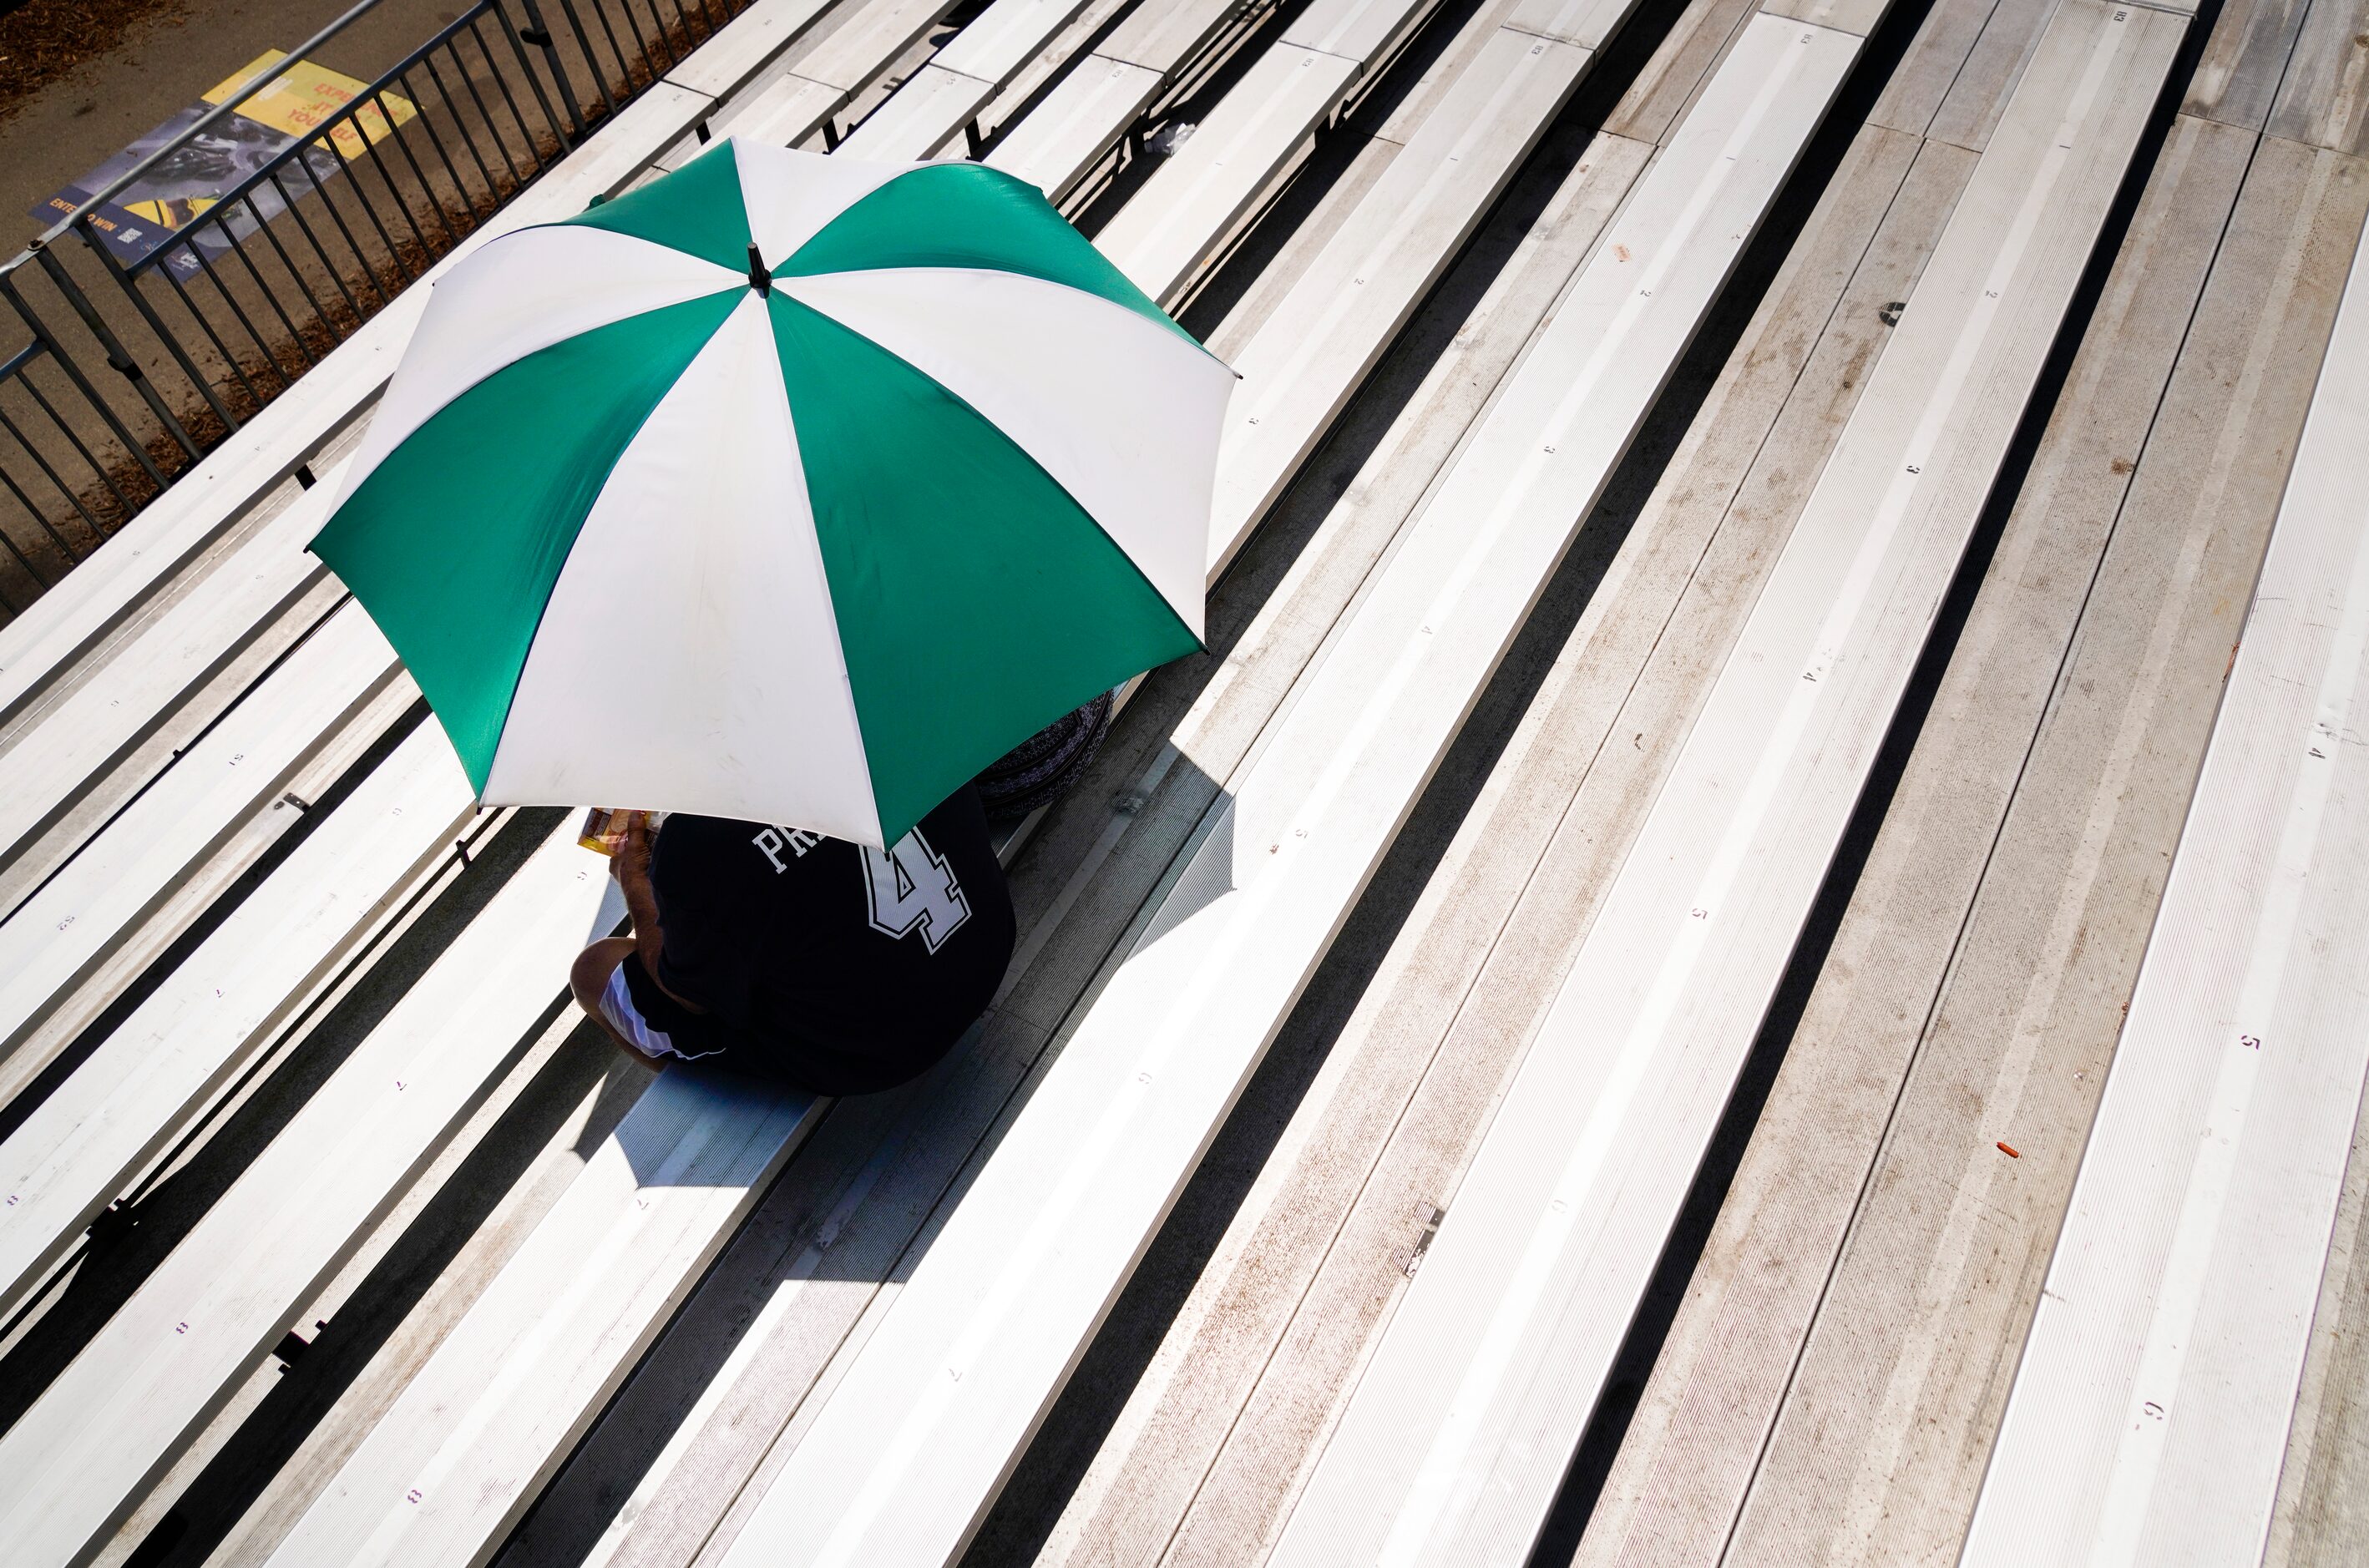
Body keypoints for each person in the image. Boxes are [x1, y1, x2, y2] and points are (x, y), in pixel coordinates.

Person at [569, 786, 1015, 1095]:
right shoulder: (861, 701)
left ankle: (711, 1094)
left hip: (877, 1053)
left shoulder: (692, 845)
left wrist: (634, 882)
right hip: (987, 942)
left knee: (594, 971)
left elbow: (686, 994)